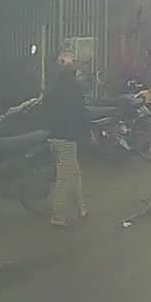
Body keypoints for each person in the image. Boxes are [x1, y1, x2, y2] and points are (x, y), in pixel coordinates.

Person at [43, 50, 89, 227]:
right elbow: (81, 112)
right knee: (65, 178)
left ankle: (81, 209)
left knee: (74, 173)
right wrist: (87, 132)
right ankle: (58, 216)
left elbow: (45, 108)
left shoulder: (52, 86)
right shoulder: (75, 88)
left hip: (53, 135)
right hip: (68, 137)